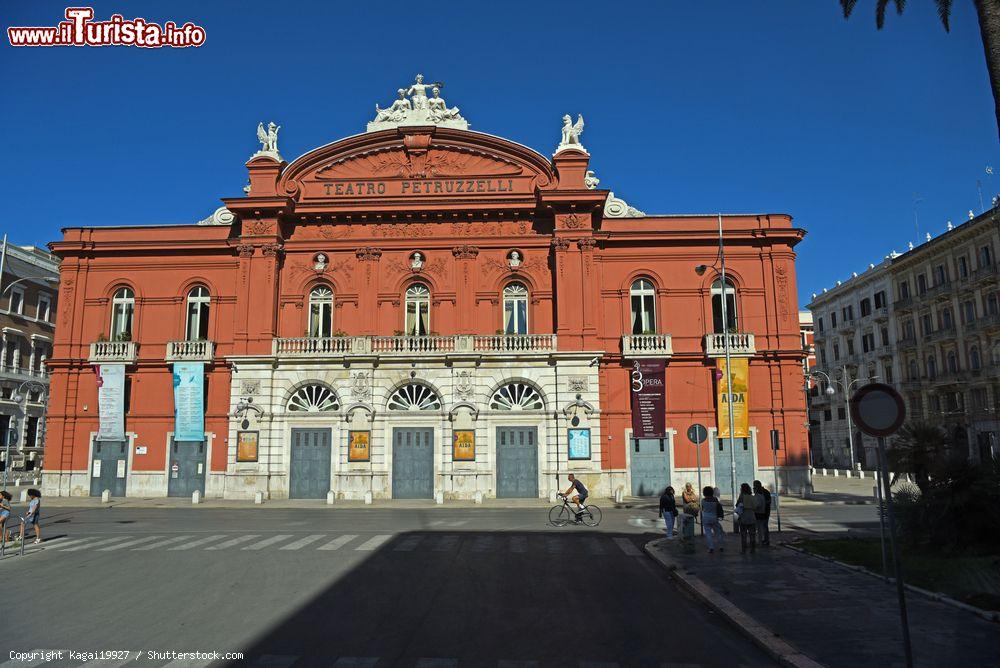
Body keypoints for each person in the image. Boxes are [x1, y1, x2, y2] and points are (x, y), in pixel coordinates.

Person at [736, 482, 760, 554]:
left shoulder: (741, 497)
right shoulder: (752, 497)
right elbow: (756, 506)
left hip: (743, 516)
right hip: (751, 516)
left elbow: (737, 505)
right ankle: (753, 549)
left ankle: (744, 550)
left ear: (742, 490)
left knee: (743, 535)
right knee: (752, 534)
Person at [700, 486, 725, 554]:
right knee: (718, 532)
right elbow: (718, 508)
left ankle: (711, 547)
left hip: (706, 518)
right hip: (714, 517)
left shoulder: (703, 500)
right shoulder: (715, 500)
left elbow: (702, 509)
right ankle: (721, 546)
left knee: (708, 534)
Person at [753, 480, 773, 546]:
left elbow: (768, 501)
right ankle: (763, 540)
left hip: (765, 512)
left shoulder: (764, 492)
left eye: (754, 486)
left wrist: (762, 503)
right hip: (762, 512)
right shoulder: (760, 493)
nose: (754, 488)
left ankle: (765, 540)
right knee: (761, 527)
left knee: (763, 527)